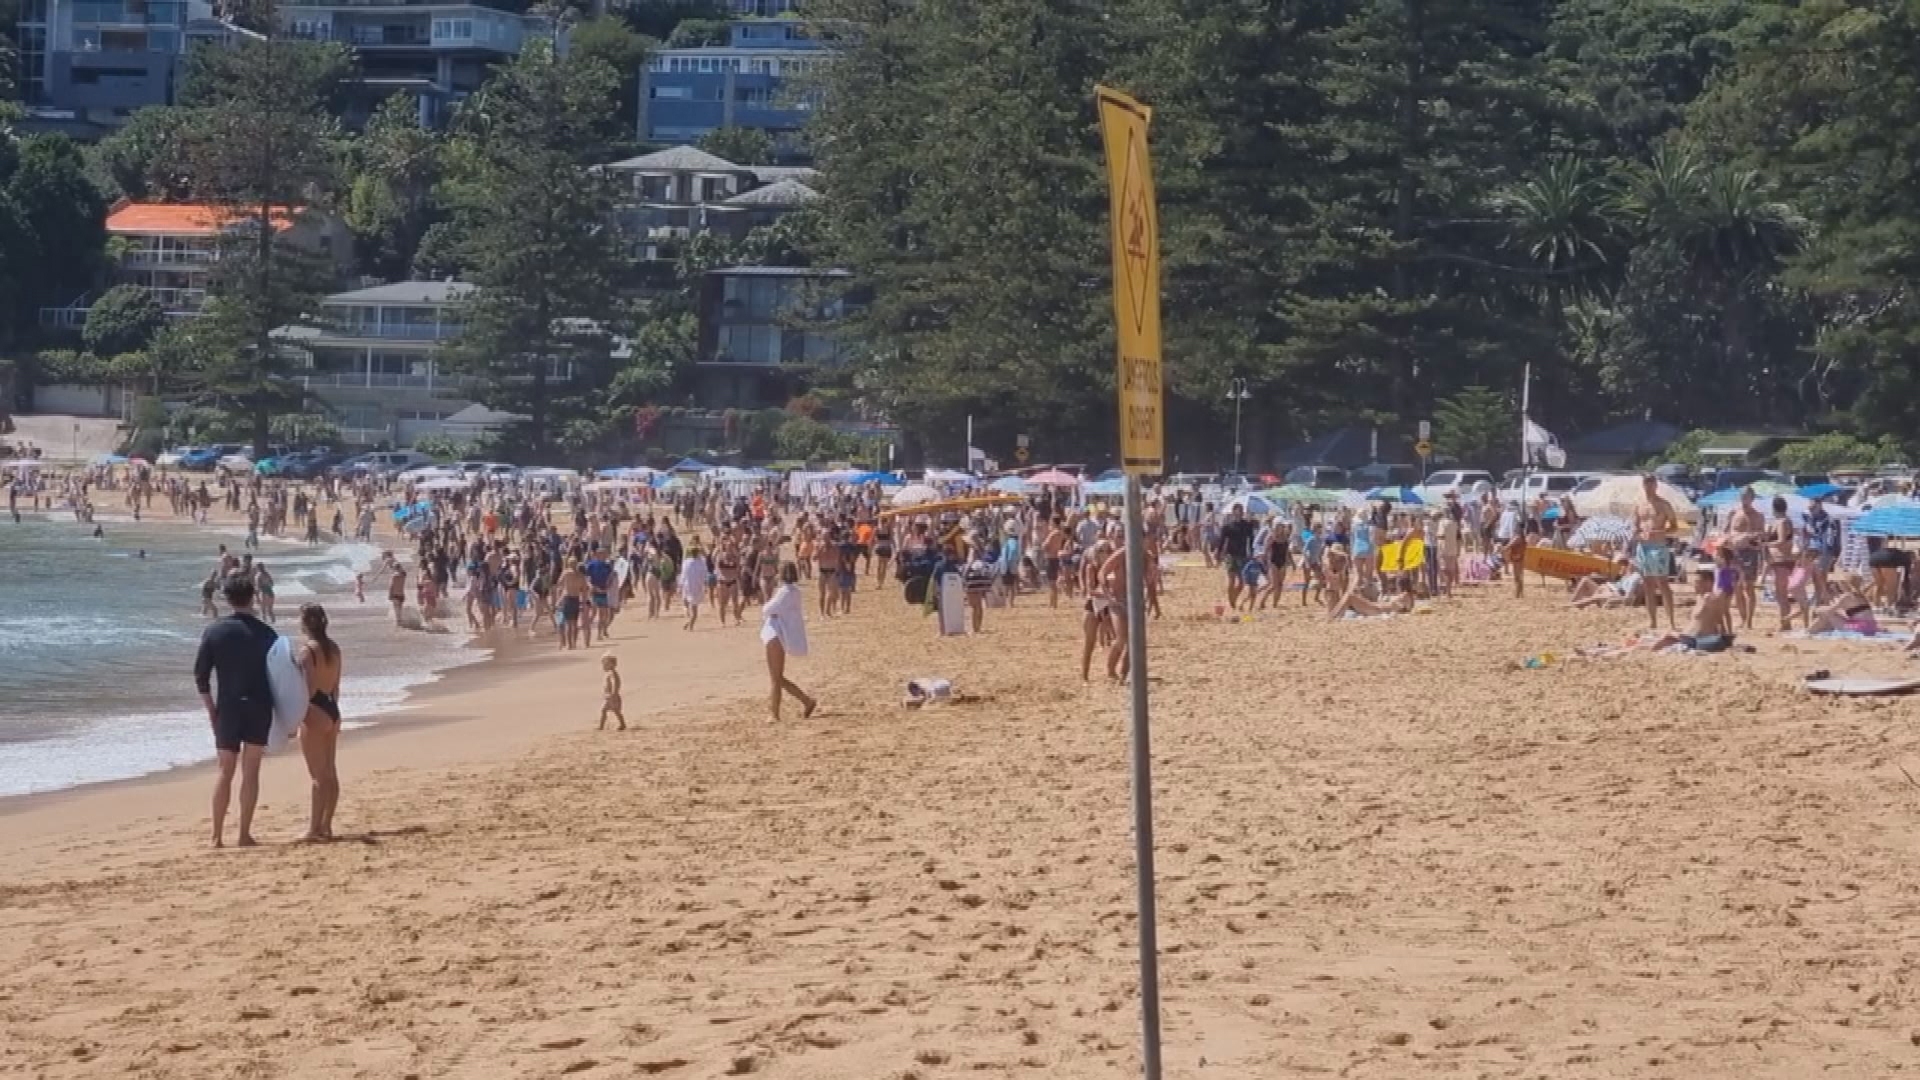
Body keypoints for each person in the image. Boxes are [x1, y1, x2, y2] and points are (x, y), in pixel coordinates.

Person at [193, 575, 279, 848]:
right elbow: (280, 678)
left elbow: (201, 677)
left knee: (225, 771)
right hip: (259, 706)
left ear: (226, 599)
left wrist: (211, 710)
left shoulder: (214, 632)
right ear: (253, 597)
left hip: (228, 708)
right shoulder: (267, 634)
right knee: (251, 772)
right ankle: (244, 834)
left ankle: (216, 837)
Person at [294, 603, 343, 842]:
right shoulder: (334, 648)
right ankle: (327, 825)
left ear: (304, 623)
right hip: (332, 709)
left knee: (317, 775)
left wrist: (296, 717)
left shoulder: (307, 652)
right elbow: (336, 687)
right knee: (330, 772)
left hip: (314, 709)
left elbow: (309, 688)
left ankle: (313, 829)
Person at [760, 562, 817, 721]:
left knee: (775, 678)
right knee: (778, 677)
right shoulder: (794, 592)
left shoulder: (784, 592)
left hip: (776, 634)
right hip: (780, 633)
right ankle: (806, 700)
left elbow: (767, 610)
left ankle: (774, 713)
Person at [1630, 474, 1679, 630]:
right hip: (1644, 546)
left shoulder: (1663, 504)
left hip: (1658, 546)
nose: (1649, 486)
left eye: (1651, 483)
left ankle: (1671, 621)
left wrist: (1661, 532)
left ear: (1656, 485)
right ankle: (1653, 621)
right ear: (1643, 485)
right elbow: (1634, 527)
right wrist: (1639, 534)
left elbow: (1674, 526)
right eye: (1646, 483)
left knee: (1662, 583)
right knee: (1647, 584)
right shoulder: (1639, 505)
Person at [681, 544, 709, 630]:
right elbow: (704, 575)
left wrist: (680, 586)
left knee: (686, 605)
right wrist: (705, 586)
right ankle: (690, 625)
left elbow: (683, 575)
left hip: (687, 587)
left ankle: (689, 622)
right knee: (694, 609)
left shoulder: (686, 562)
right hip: (696, 587)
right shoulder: (701, 562)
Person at [598, 654, 626, 731]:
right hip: (609, 696)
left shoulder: (612, 673)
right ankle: (622, 724)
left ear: (611, 664)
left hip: (612, 696)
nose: (603, 666)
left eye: (605, 664)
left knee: (604, 710)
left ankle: (601, 727)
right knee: (616, 711)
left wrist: (614, 693)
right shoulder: (610, 673)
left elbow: (616, 682)